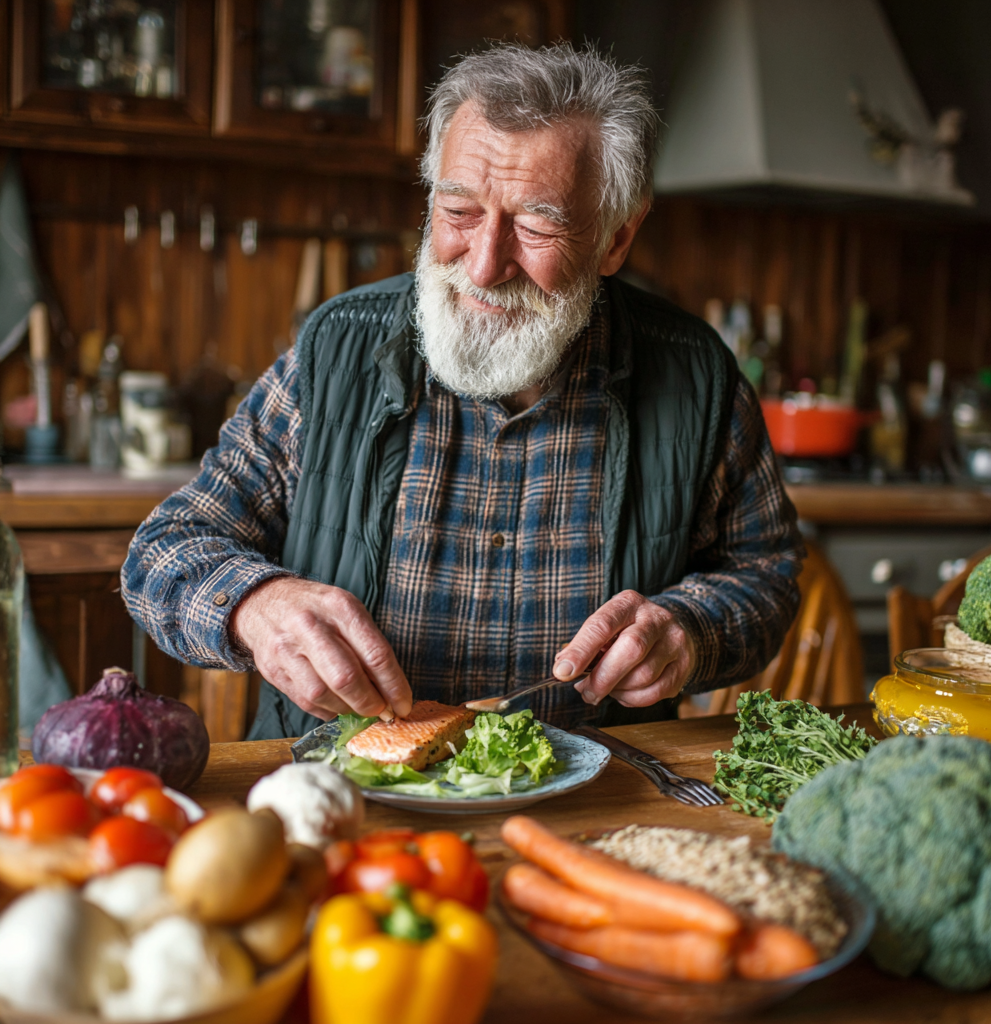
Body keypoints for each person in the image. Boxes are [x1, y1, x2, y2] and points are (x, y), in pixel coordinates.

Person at [122, 43, 804, 740]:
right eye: (459, 211)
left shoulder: (695, 375)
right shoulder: (337, 351)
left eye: (537, 225)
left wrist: (691, 630)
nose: (483, 264)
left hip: (596, 803)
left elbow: (768, 575)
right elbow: (164, 551)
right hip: (342, 796)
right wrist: (254, 605)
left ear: (615, 239)